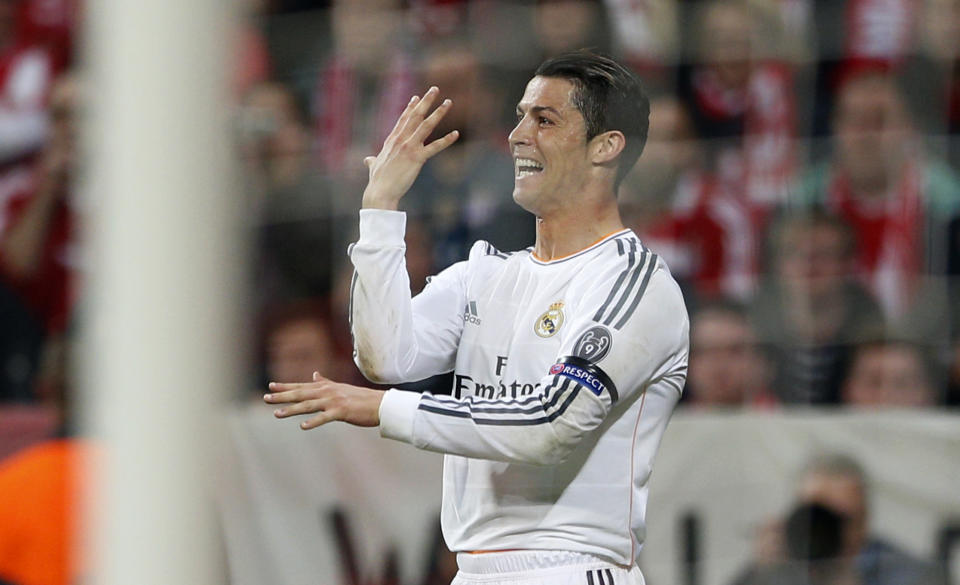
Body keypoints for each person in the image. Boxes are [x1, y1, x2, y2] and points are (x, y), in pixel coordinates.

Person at [265, 51, 689, 585]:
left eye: (545, 119)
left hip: (571, 566)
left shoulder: (633, 283)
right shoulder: (482, 275)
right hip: (475, 571)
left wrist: (385, 411)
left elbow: (551, 425)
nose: (516, 135)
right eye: (519, 115)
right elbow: (383, 358)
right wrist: (380, 208)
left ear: (606, 147)